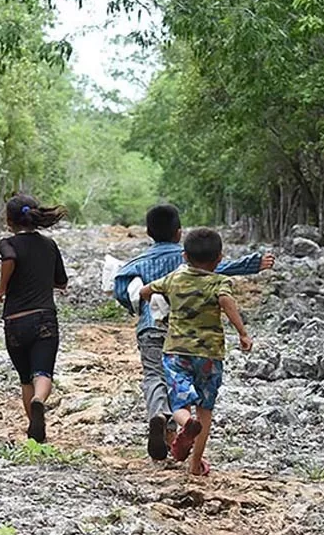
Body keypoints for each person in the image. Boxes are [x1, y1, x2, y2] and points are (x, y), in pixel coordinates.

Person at [113, 204, 273, 461]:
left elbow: (123, 288)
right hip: (199, 342)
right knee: (191, 392)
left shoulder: (139, 263)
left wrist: (136, 304)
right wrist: (253, 264)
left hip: (153, 329)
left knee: (156, 377)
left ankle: (160, 416)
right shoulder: (190, 261)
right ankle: (186, 447)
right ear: (179, 233)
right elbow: (221, 269)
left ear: (148, 232)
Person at [140, 228, 252, 476]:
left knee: (180, 400)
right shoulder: (220, 282)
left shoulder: (174, 279)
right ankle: (195, 464)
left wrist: (158, 304)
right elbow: (226, 302)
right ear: (220, 258)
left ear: (184, 256)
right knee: (205, 409)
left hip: (177, 352)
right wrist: (242, 333)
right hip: (210, 355)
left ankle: (183, 423)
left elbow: (144, 291)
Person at [0, 194, 68, 443]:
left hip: (15, 320)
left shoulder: (6, 244)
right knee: (43, 373)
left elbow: (10, 259)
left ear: (9, 220)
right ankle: (39, 401)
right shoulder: (50, 245)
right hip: (44, 318)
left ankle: (36, 434)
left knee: (25, 378)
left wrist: (1, 289)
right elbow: (62, 282)